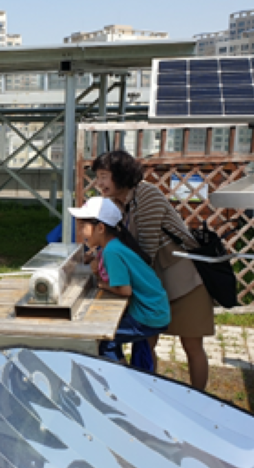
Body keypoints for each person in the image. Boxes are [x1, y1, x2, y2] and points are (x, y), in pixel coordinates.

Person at [91, 150, 215, 389]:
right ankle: (148, 392)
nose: (99, 183)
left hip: (184, 281)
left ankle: (201, 400)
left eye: (104, 176)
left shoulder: (145, 195)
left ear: (120, 174)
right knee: (145, 344)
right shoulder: (120, 203)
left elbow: (143, 251)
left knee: (191, 345)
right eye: (97, 176)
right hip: (153, 283)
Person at [70, 197, 170, 361]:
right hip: (156, 309)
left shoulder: (112, 252)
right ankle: (134, 373)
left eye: (84, 226)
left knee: (104, 339)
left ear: (100, 228)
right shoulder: (113, 246)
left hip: (147, 314)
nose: (80, 231)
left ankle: (117, 377)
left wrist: (102, 284)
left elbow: (124, 290)